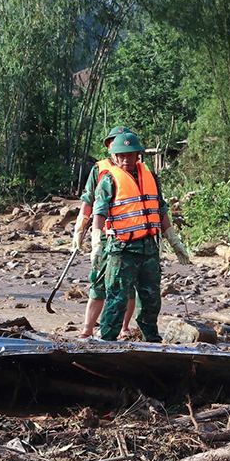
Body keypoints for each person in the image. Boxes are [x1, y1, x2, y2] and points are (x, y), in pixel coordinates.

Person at [92, 131, 175, 342]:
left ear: (137, 154)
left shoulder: (150, 176)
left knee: (151, 298)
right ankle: (107, 341)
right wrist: (96, 243)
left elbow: (160, 208)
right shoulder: (109, 179)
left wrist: (174, 240)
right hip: (122, 250)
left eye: (130, 155)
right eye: (121, 155)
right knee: (116, 298)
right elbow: (99, 211)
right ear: (114, 156)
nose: (125, 160)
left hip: (149, 248)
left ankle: (152, 339)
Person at [76, 126, 136, 339]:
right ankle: (87, 329)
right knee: (98, 282)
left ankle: (124, 327)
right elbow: (88, 201)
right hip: (105, 235)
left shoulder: (138, 169)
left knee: (127, 287)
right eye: (113, 142)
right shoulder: (99, 170)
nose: (116, 145)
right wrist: (81, 228)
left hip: (128, 239)